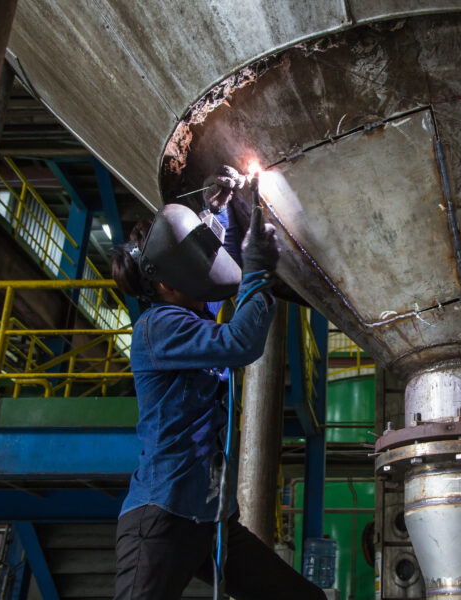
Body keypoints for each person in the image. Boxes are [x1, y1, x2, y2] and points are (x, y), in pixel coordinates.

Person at [110, 188, 326, 600]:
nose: (200, 270)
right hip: (162, 519)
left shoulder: (188, 314)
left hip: (212, 521)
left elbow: (216, 274)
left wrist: (217, 212)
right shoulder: (159, 327)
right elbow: (240, 342)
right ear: (167, 285)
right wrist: (259, 270)